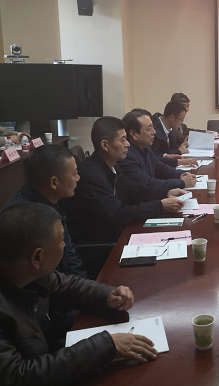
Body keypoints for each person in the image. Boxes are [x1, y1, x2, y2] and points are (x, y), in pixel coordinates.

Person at [0, 203, 158, 385]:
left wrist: (108, 295)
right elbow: (18, 376)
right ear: (37, 257)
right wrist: (105, 346)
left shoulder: (28, 273)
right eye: (60, 241)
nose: (64, 245)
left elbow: (68, 286)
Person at [61, 116, 186, 245]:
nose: (127, 144)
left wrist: (166, 193)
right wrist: (160, 205)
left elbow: (134, 190)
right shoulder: (91, 174)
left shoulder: (112, 165)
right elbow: (117, 214)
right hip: (101, 246)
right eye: (123, 140)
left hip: (117, 234)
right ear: (105, 145)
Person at [2, 145, 86, 277]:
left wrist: (84, 283)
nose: (78, 177)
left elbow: (69, 252)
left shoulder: (49, 199)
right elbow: (44, 280)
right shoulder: (24, 221)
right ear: (54, 182)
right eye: (74, 173)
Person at [118, 109, 196, 190]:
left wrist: (180, 174)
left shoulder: (145, 147)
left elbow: (159, 167)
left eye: (152, 127)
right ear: (133, 134)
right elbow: (146, 184)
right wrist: (181, 183)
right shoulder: (126, 156)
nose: (154, 132)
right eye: (149, 129)